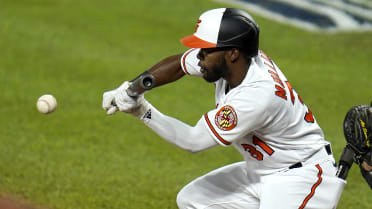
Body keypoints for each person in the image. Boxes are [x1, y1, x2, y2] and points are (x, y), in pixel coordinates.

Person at [102, 8, 346, 209]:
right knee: (193, 200)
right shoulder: (234, 64)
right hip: (263, 170)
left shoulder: (255, 95)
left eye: (206, 51)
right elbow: (179, 64)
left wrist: (141, 110)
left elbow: (193, 141)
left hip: (301, 177)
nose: (199, 56)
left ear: (232, 53)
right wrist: (132, 89)